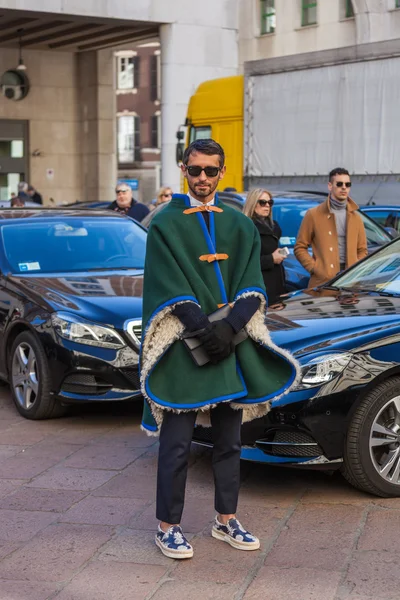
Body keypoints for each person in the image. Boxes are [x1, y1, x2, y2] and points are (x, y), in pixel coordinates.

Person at [140, 139, 299, 560]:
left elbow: (253, 283)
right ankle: (167, 527)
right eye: (196, 170)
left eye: (211, 171)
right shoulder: (164, 223)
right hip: (182, 345)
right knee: (176, 442)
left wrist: (228, 328)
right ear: (184, 171)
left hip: (230, 343)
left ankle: (226, 519)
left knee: (229, 439)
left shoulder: (240, 224)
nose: (203, 178)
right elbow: (166, 283)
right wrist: (200, 327)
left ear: (222, 173)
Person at [294, 167, 368, 288]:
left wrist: (356, 269)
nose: (344, 187)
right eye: (339, 184)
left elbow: (362, 250)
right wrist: (315, 268)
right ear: (330, 186)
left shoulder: (356, 217)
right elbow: (300, 247)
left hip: (351, 281)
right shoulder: (313, 214)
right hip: (323, 281)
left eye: (347, 184)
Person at [243, 188, 286, 306]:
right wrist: (271, 259)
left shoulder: (273, 226)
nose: (267, 205)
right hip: (258, 287)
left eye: (270, 202)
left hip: (277, 284)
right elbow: (244, 262)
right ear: (253, 203)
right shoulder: (246, 227)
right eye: (262, 202)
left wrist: (278, 255)